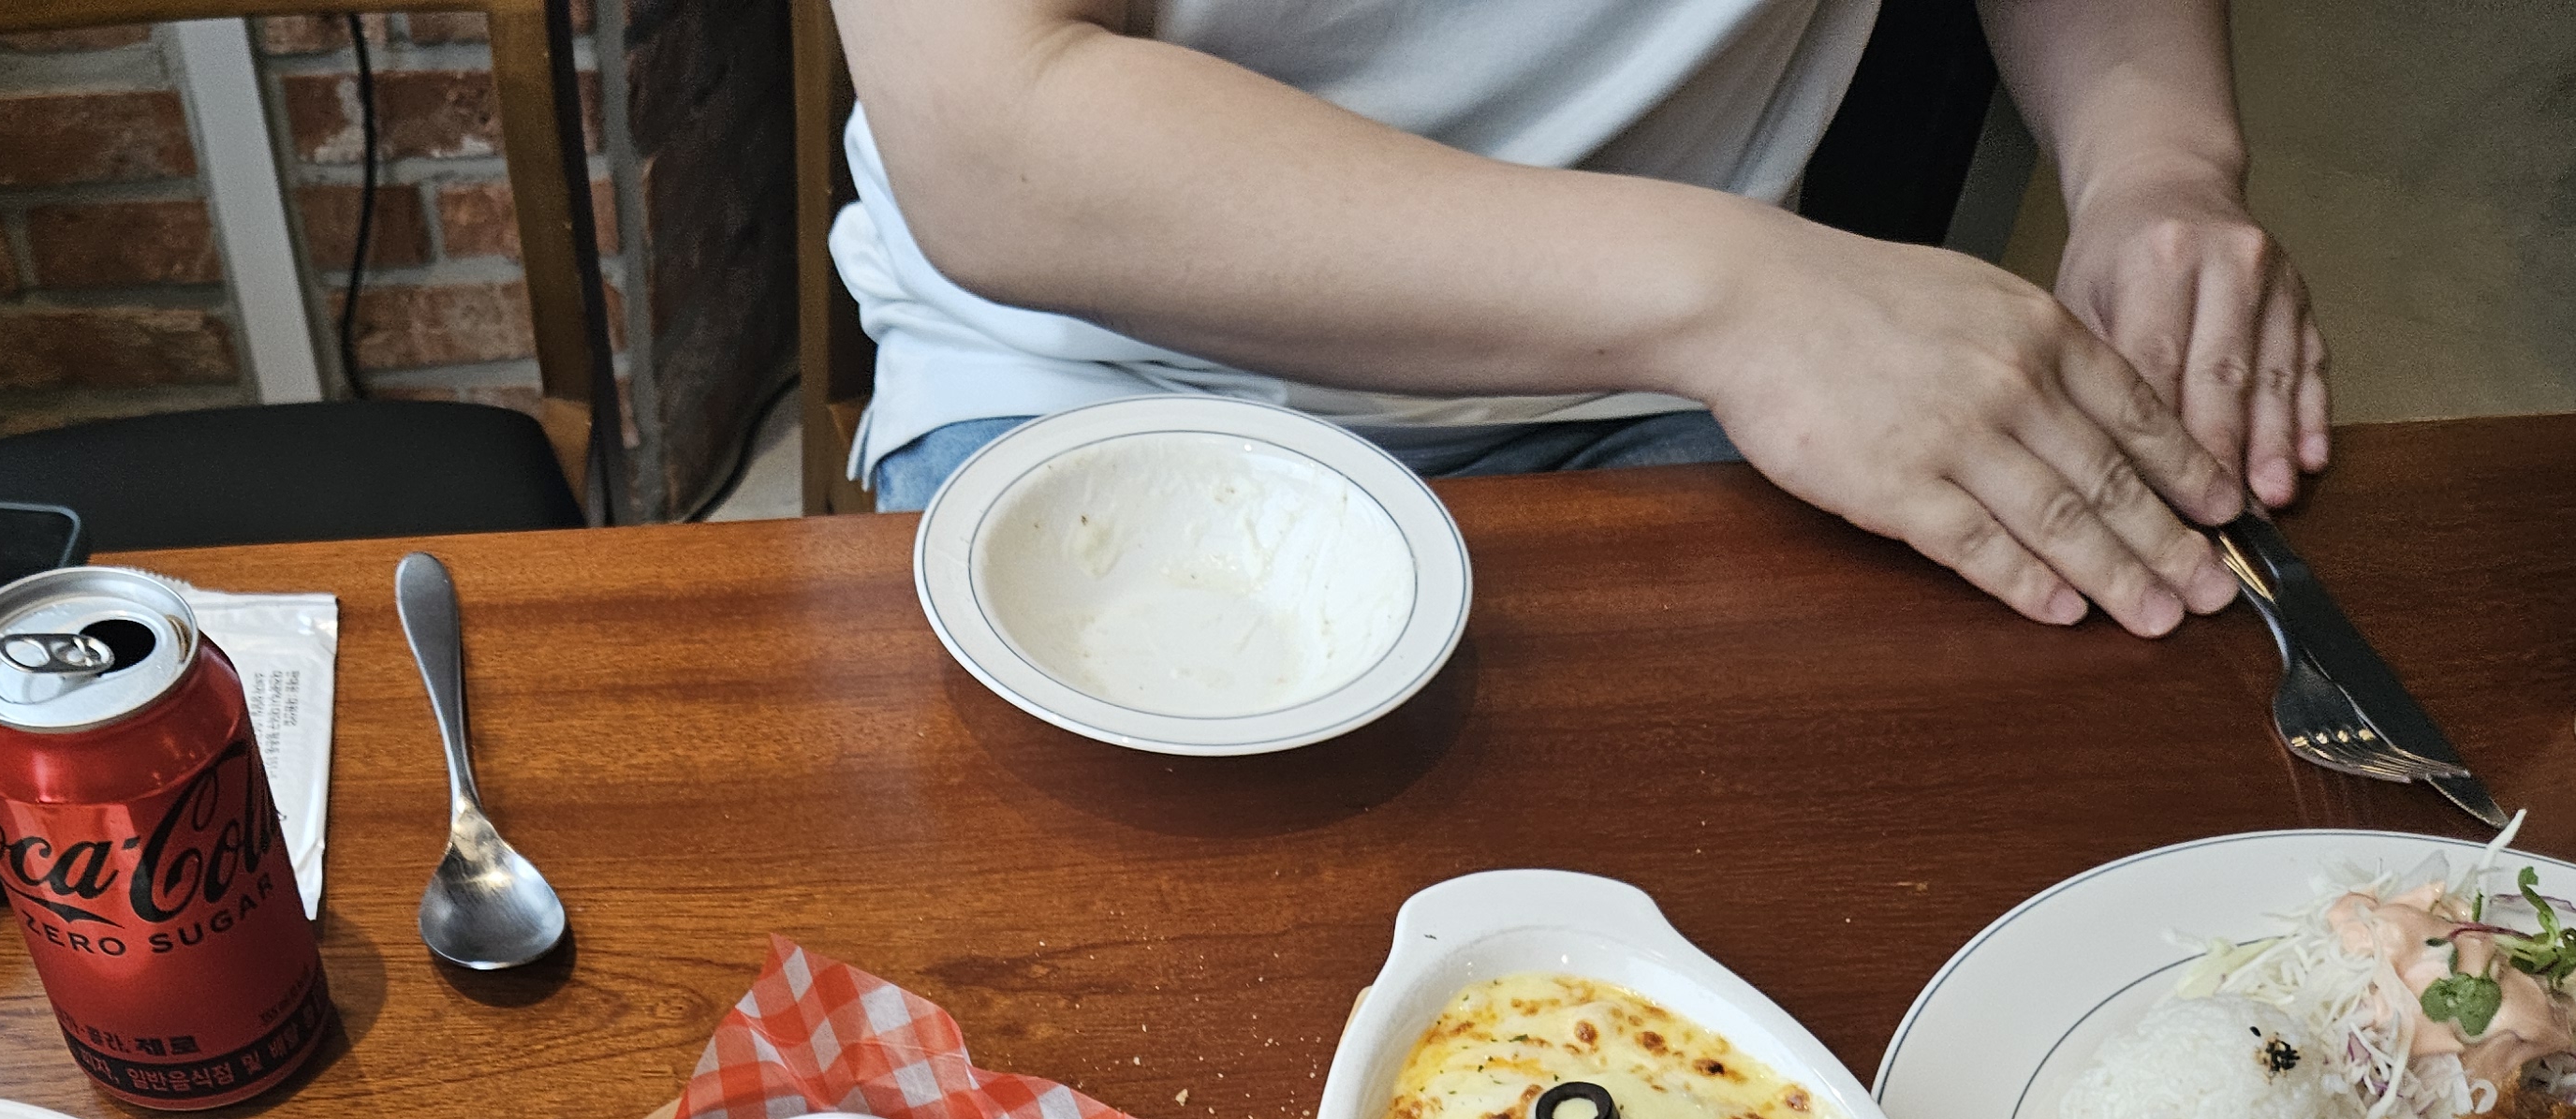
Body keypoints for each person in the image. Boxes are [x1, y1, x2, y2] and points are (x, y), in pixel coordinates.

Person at [833, 0, 2329, 638]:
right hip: (1099, 365)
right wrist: (1740, 298)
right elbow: (993, 133)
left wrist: (2159, 163)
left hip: (1693, 379)